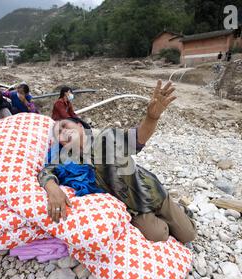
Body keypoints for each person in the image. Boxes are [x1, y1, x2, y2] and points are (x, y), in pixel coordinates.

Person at [38, 80, 197, 244]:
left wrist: (152, 117)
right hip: (134, 209)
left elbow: (138, 138)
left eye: (65, 126)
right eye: (59, 134)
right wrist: (52, 189)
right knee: (159, 235)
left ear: (79, 125)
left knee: (188, 235)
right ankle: (170, 219)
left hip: (152, 192)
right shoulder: (67, 160)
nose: (64, 132)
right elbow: (46, 172)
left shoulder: (108, 137)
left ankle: (181, 210)